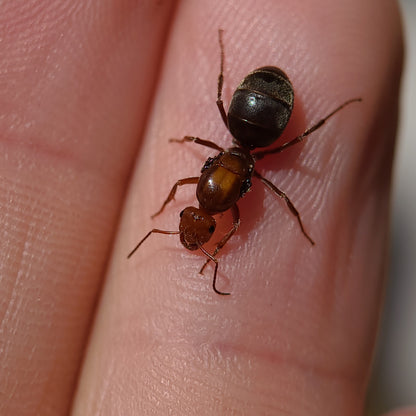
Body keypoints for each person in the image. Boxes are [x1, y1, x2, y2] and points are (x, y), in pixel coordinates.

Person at [1, 1, 411, 415]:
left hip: (259, 112)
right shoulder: (214, 191)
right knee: (234, 119)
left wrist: (223, 242)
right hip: (252, 125)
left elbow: (230, 210)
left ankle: (332, 115)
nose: (195, 224)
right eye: (198, 226)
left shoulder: (218, 198)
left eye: (186, 217)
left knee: (278, 169)